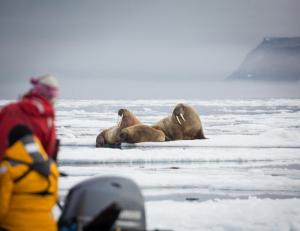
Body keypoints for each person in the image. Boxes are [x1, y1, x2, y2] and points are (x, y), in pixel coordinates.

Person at [0, 125, 59, 231]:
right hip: (47, 226)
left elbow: (2, 205)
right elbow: (53, 199)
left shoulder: (8, 168)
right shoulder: (51, 167)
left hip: (15, 226)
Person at [0, 74, 59, 161]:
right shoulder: (47, 120)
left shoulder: (8, 109)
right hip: (30, 171)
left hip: (4, 169)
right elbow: (49, 153)